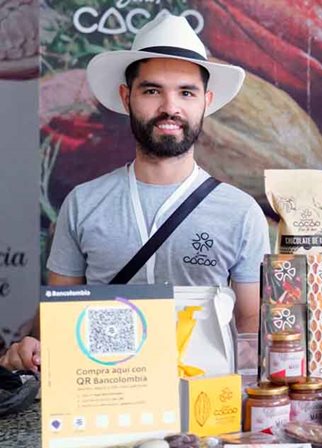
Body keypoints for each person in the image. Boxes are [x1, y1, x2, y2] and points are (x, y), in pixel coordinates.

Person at [0, 13, 268, 371]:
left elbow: (251, 329)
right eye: (152, 90)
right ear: (127, 97)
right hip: (104, 400)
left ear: (206, 101)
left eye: (186, 92)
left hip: (205, 403)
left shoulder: (241, 212)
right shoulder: (83, 203)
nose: (170, 107)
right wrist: (32, 349)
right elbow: (55, 325)